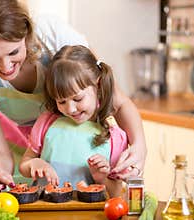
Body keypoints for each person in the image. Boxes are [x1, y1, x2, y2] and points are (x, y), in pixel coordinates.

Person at [0, 0, 146, 201]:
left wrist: (139, 146)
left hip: (83, 150)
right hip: (29, 159)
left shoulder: (51, 35)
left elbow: (118, 102)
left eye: (14, 52)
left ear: (26, 34)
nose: (7, 66)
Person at [19, 45, 129, 197]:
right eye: (61, 101)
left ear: (97, 84)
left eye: (77, 98)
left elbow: (116, 193)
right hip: (46, 210)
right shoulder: (47, 122)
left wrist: (101, 177)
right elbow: (25, 163)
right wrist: (33, 164)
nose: (70, 109)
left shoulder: (115, 137)